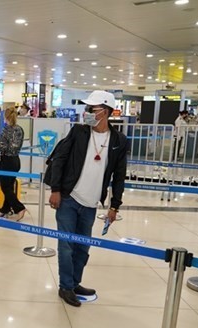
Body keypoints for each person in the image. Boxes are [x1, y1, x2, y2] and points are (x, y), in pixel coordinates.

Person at [47, 90, 129, 307]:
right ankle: (65, 287)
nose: (88, 113)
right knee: (66, 246)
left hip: (91, 204)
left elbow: (119, 176)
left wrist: (114, 206)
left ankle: (74, 283)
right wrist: (55, 189)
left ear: (107, 111)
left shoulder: (119, 141)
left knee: (82, 248)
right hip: (69, 198)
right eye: (88, 109)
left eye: (92, 109)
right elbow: (59, 160)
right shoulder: (79, 132)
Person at [0, 107, 26, 220]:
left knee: (5, 187)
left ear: (6, 117)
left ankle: (19, 208)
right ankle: (4, 209)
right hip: (15, 161)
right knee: (9, 186)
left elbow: (2, 148)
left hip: (7, 161)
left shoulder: (6, 130)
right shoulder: (19, 129)